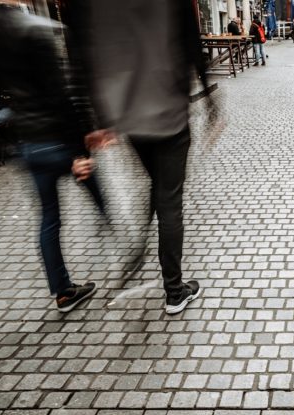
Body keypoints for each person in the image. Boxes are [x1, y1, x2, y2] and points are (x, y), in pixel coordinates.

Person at [70, 0, 221, 314]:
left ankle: (139, 244)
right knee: (169, 199)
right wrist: (210, 100)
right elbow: (191, 42)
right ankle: (175, 290)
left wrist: (94, 124)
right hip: (169, 112)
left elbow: (82, 57)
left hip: (130, 118)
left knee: (156, 183)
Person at [0, 1, 106, 312]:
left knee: (49, 219)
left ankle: (63, 291)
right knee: (92, 180)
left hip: (29, 144)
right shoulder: (38, 31)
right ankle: (116, 232)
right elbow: (60, 95)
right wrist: (79, 149)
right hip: (56, 142)